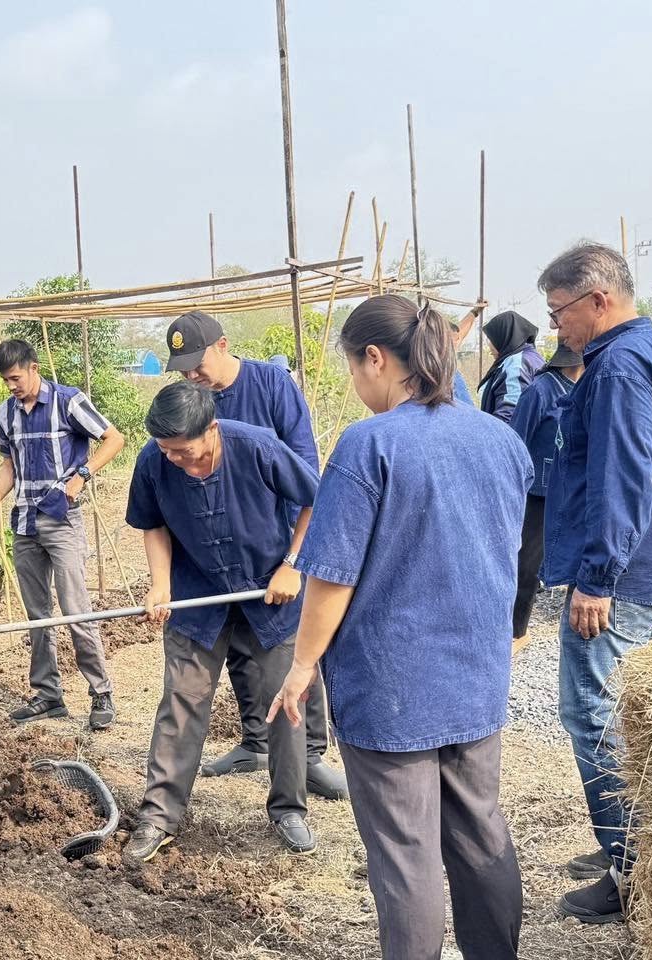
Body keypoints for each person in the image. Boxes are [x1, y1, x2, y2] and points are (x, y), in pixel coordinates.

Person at [270, 294, 530, 960]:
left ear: (376, 359)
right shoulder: (499, 439)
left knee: (406, 853)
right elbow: (516, 544)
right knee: (480, 832)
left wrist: (302, 665)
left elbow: (331, 577)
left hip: (393, 684)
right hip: (475, 675)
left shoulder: (369, 444)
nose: (356, 383)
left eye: (353, 368)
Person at [538, 243, 652, 923]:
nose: (556, 327)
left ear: (598, 299)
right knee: (637, 720)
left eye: (559, 312)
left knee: (595, 716)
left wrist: (597, 578)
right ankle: (638, 846)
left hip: (622, 576)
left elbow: (622, 477)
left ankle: (632, 869)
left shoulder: (617, 368)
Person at [120, 382, 320, 864]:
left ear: (211, 429)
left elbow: (316, 501)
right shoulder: (153, 460)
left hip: (268, 592)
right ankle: (159, 816)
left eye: (184, 451)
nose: (176, 460)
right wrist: (161, 584)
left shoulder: (257, 447)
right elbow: (152, 523)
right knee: (181, 701)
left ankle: (289, 809)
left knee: (285, 700)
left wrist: (292, 564)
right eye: (167, 451)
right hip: (197, 596)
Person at [160, 311, 346, 800]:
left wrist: (294, 560)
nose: (191, 375)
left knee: (288, 649)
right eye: (183, 369)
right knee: (240, 653)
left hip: (278, 547)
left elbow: (305, 471)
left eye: (197, 363)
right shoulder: (188, 404)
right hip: (222, 553)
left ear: (223, 346)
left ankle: (309, 757)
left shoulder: (271, 384)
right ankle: (254, 742)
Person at [0, 339, 125, 729]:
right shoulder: (6, 413)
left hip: (62, 519)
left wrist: (82, 476)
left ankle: (101, 692)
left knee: (76, 608)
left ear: (34, 368)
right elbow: (9, 466)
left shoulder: (67, 401)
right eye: (5, 380)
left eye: (16, 378)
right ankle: (48, 695)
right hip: (24, 523)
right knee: (37, 615)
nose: (11, 386)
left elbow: (114, 439)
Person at [507, 344, 583, 648]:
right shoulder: (540, 391)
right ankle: (516, 631)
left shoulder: (581, 389)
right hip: (537, 494)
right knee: (525, 564)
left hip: (569, 489)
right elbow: (516, 441)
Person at [476, 311, 545, 422]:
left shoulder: (516, 363)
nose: (489, 345)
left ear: (503, 336)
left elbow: (509, 414)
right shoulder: (533, 356)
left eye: (490, 339)